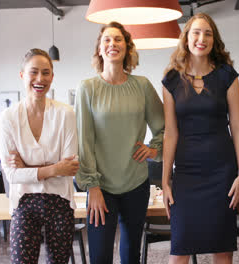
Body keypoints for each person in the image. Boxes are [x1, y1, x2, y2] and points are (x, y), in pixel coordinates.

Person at [75, 22, 164, 264]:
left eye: (118, 39)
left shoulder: (142, 85)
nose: (112, 44)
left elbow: (164, 126)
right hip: (100, 186)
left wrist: (153, 148)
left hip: (136, 182)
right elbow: (84, 140)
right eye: (107, 40)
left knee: (131, 254)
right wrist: (91, 187)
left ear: (127, 48)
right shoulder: (87, 88)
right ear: (100, 49)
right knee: (100, 255)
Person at [161, 13, 239, 264]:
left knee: (221, 249)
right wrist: (165, 181)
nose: (202, 38)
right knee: (179, 249)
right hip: (187, 174)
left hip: (222, 172)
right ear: (186, 38)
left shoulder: (227, 76)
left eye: (208, 33)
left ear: (214, 40)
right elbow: (170, 133)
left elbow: (238, 126)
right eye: (196, 32)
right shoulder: (171, 80)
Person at [0, 48, 79, 264]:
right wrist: (53, 169)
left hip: (60, 201)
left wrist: (27, 168)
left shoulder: (66, 114)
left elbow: (69, 167)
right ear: (22, 75)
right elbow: (11, 175)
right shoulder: (7, 118)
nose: (40, 79)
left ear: (52, 77)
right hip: (24, 202)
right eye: (33, 72)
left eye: (46, 72)